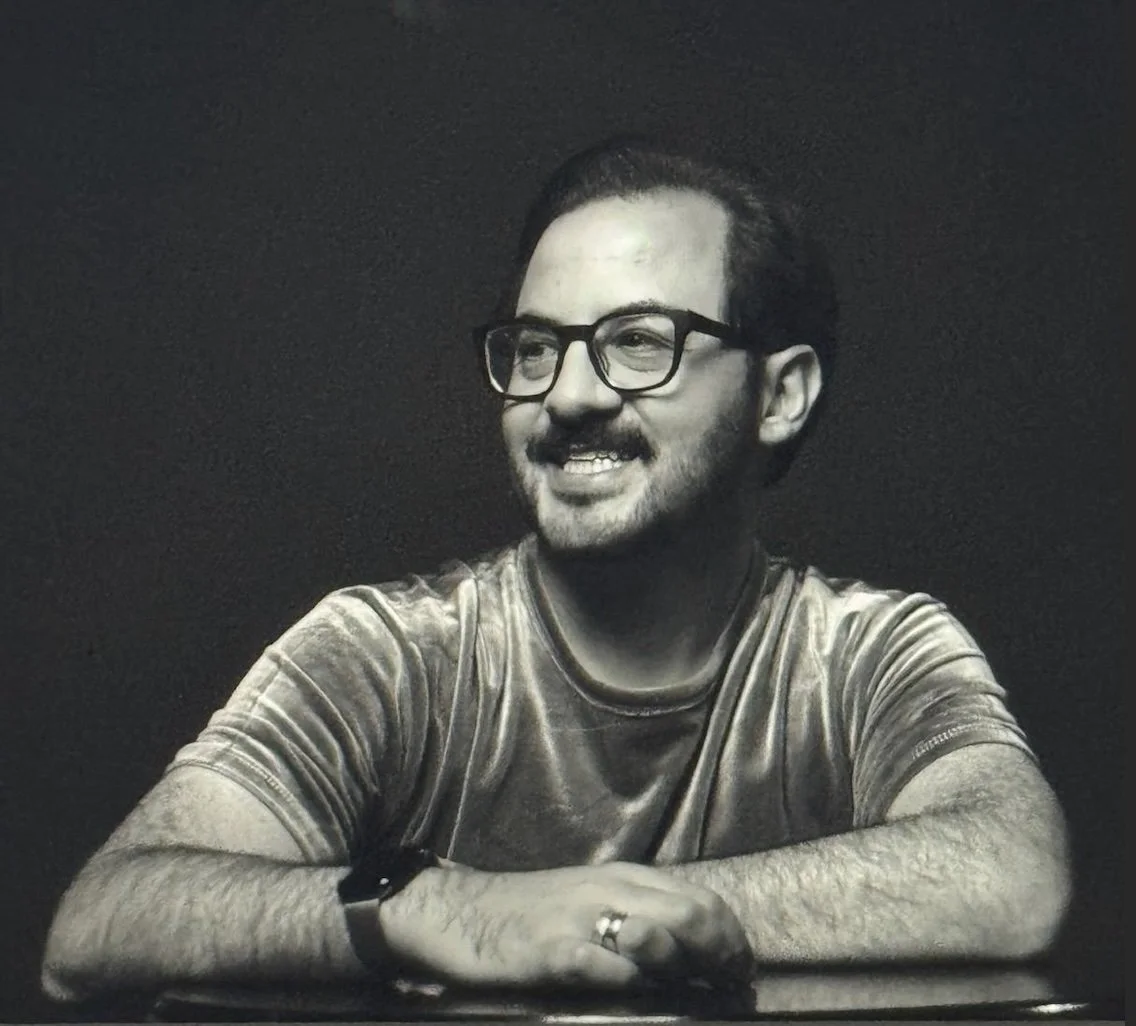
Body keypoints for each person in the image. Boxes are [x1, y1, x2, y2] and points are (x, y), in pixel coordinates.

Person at [42, 136, 1071, 1003]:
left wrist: (611, 917)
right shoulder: (387, 652)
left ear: (780, 394)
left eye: (636, 341)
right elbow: (98, 921)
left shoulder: (868, 653)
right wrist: (454, 911)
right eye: (534, 347)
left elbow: (1008, 874)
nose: (567, 394)